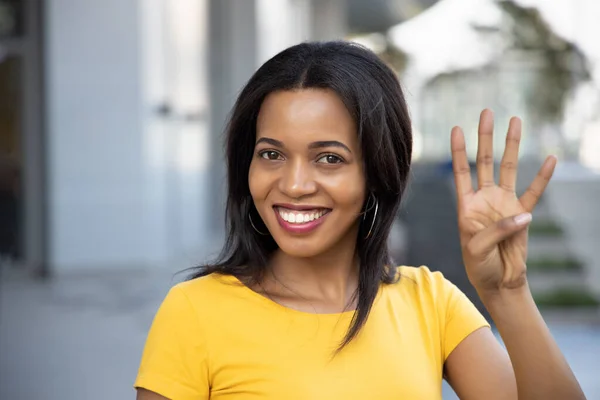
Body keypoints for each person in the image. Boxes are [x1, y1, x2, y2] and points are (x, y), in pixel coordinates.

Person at [134, 41, 585, 400]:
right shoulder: (195, 311)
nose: (293, 184)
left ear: (377, 172)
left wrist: (508, 293)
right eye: (271, 154)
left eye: (328, 158)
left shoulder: (431, 302)